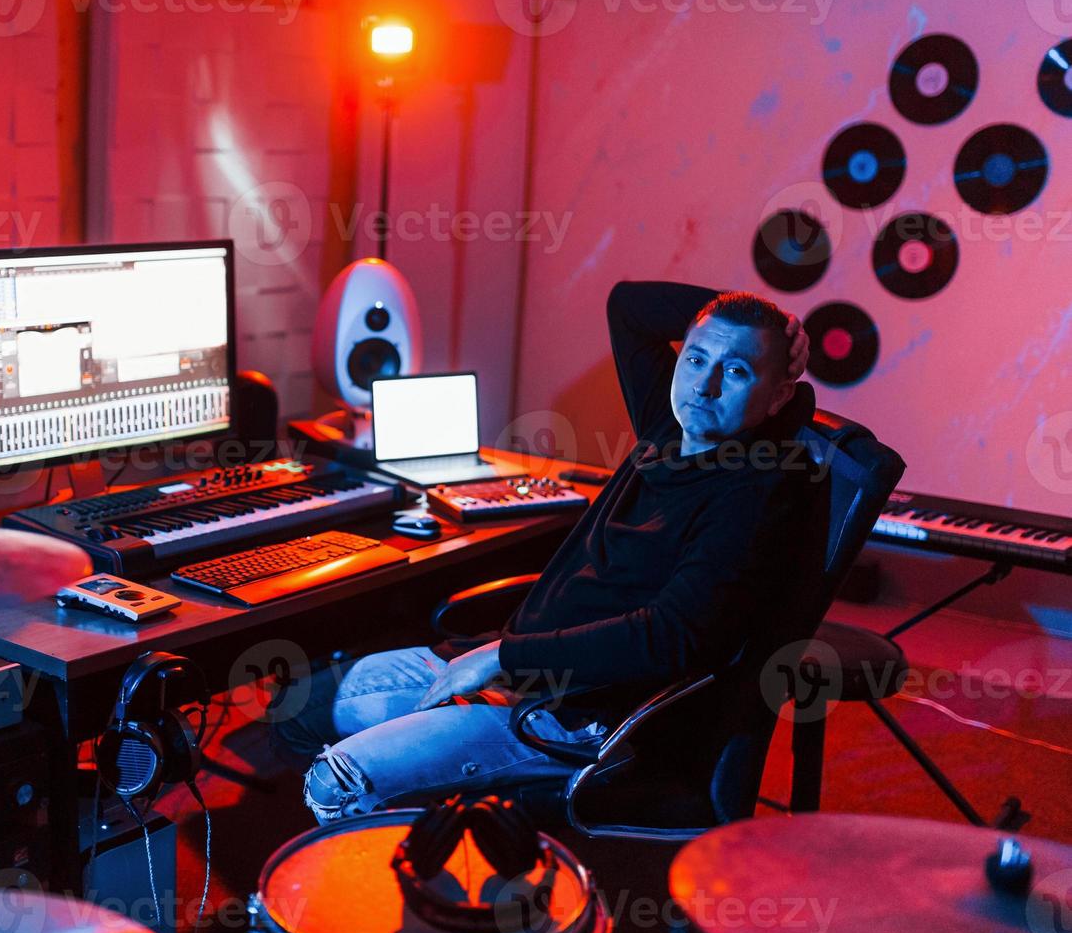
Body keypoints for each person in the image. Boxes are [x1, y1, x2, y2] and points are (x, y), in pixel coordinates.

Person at [273, 281, 817, 823]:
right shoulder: (665, 429)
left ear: (779, 397)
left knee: (335, 782)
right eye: (696, 358)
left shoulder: (752, 492)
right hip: (513, 668)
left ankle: (426, 887)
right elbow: (628, 306)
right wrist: (768, 322)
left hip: (574, 716)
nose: (705, 385)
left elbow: (669, 635)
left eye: (738, 371)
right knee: (294, 711)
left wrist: (502, 658)